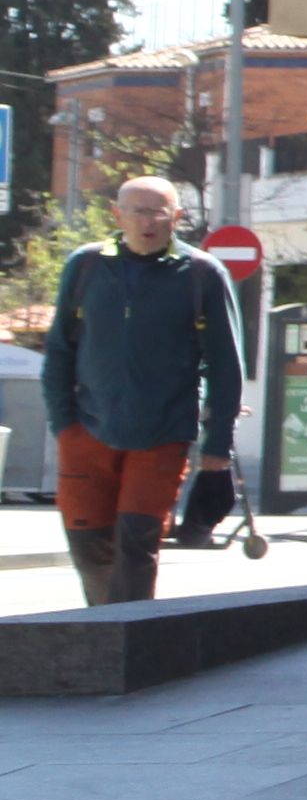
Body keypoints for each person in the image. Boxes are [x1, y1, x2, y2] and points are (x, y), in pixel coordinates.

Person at [43, 175, 239, 607]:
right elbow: (58, 350)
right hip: (86, 432)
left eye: (158, 212)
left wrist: (217, 446)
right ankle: (103, 632)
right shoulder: (86, 265)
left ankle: (128, 646)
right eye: (137, 210)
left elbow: (227, 366)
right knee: (89, 547)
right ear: (118, 215)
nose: (147, 221)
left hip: (163, 434)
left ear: (178, 218)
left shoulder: (202, 274)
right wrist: (64, 424)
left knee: (136, 547)